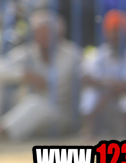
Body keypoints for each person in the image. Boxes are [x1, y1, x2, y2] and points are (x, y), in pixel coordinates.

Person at [0, 10, 82, 140]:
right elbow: (2, 67)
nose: (44, 38)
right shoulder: (29, 52)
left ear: (58, 34)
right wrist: (24, 75)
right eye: (40, 34)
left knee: (36, 104)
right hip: (27, 112)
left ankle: (3, 132)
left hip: (61, 115)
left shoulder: (72, 54)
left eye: (48, 33)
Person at [80, 9, 126, 138]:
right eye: (113, 31)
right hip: (105, 99)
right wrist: (107, 86)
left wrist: (113, 90)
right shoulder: (99, 54)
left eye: (120, 32)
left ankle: (123, 134)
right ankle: (89, 131)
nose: (116, 36)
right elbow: (85, 77)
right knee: (89, 94)